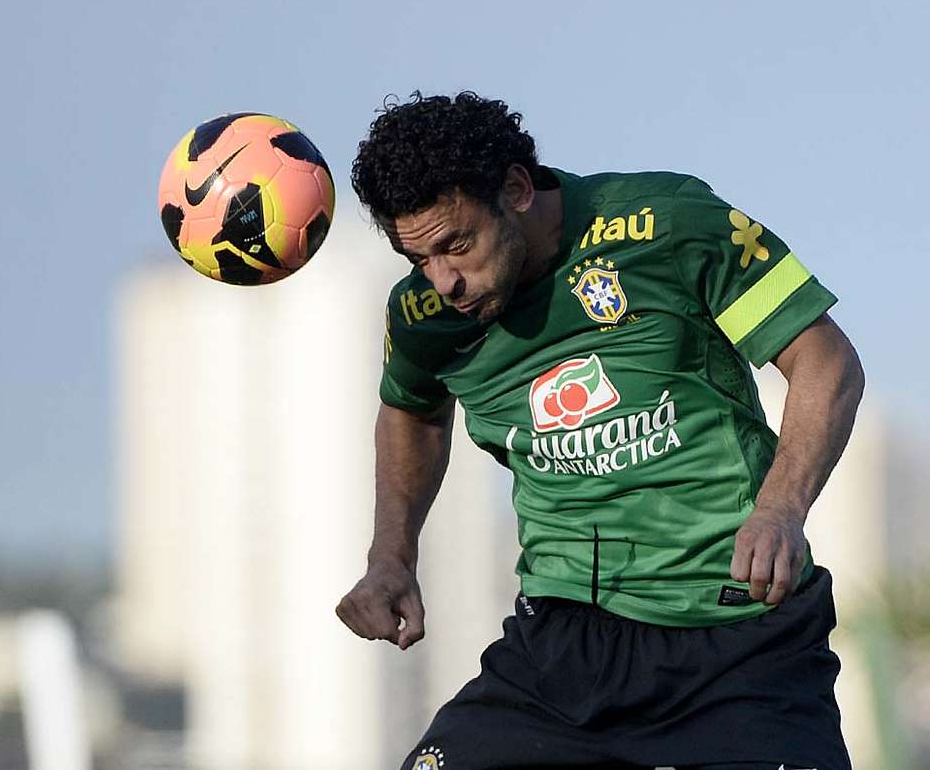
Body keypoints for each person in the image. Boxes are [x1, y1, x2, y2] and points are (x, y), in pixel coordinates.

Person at [335, 91, 865, 770]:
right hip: (561, 650)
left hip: (740, 639)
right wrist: (392, 556)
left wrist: (780, 509)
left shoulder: (670, 223)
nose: (444, 282)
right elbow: (412, 410)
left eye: (456, 246)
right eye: (419, 260)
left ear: (517, 190)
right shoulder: (421, 316)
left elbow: (826, 361)